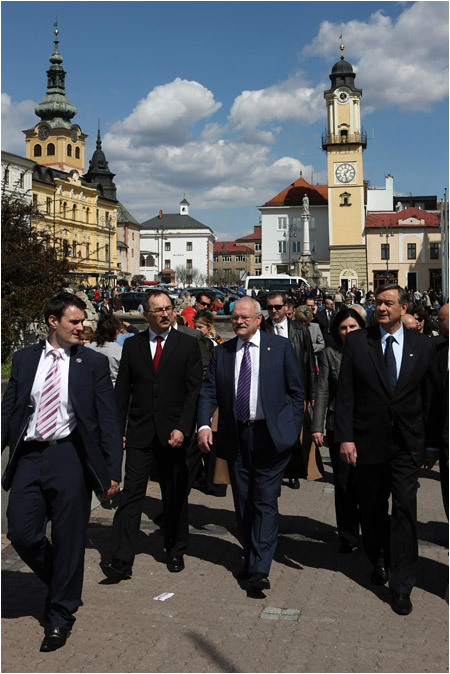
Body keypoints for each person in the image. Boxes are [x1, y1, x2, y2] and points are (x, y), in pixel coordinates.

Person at [1, 292, 122, 652]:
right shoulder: (23, 360)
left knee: (69, 538)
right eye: (74, 321)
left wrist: (111, 469)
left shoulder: (92, 363)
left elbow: (108, 421)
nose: (81, 328)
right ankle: (63, 582)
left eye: (82, 322)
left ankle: (59, 616)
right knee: (21, 531)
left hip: (70, 456)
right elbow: (9, 413)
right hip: (30, 456)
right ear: (53, 322)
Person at [334, 284, 435, 615]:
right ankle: (376, 556)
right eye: (377, 303)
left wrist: (430, 443)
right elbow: (346, 392)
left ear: (403, 307)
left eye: (388, 303)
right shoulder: (359, 343)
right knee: (373, 509)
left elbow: (429, 398)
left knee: (405, 510)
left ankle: (402, 582)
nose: (381, 308)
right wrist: (345, 438)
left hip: (406, 444)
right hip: (367, 442)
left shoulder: (422, 346)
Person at [197, 297, 304, 591]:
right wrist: (204, 424)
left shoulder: (278, 348)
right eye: (234, 318)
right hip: (236, 436)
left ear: (258, 319)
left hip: (270, 437)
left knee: (265, 501)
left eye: (245, 317)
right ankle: (251, 554)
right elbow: (209, 391)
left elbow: (297, 392)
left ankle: (260, 567)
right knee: (243, 502)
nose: (239, 322)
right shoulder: (224, 352)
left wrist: (291, 428)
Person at [103, 290, 203, 581]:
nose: (164, 314)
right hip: (139, 433)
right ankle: (121, 558)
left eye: (168, 309)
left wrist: (183, 428)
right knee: (132, 495)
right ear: (145, 315)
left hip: (173, 434)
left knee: (174, 494)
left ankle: (174, 548)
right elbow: (122, 392)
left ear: (174, 312)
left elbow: (193, 391)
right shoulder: (132, 346)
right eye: (157, 310)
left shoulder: (187, 344)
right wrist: (117, 432)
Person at [311, 308, 365, 552]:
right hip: (337, 426)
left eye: (352, 327)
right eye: (343, 327)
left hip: (366, 426)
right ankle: (348, 535)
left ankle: (370, 530)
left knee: (365, 483)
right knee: (343, 484)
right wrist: (317, 426)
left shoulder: (371, 351)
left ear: (361, 327)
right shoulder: (330, 354)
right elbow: (322, 391)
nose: (348, 331)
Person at [265, 291, 316, 489]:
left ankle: (292, 472)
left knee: (294, 433)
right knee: (271, 435)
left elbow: (309, 361)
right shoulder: (264, 328)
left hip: (295, 389)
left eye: (278, 307)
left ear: (287, 307)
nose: (274, 311)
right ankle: (275, 477)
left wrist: (311, 392)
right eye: (270, 307)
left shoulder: (299, 330)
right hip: (270, 390)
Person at [424, 303, 449, 520]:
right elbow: (432, 401)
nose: (436, 323)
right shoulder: (438, 350)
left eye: (440, 319)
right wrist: (432, 446)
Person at [86, 314, 123, 387]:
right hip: (112, 388)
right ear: (115, 331)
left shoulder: (87, 347)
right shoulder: (120, 350)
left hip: (90, 387)